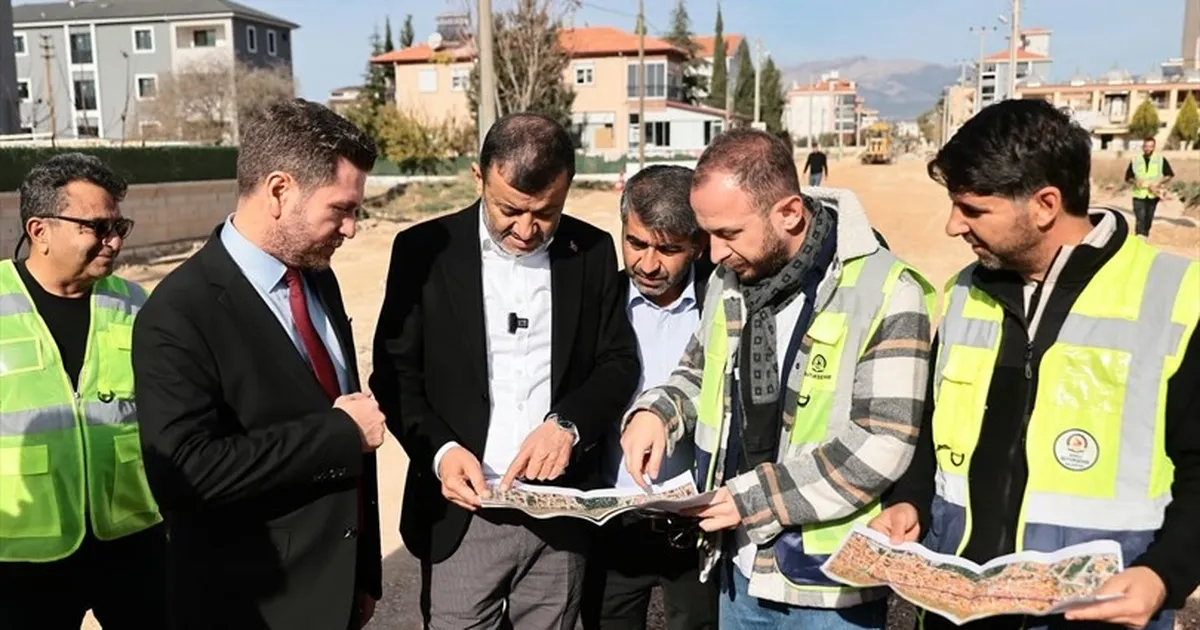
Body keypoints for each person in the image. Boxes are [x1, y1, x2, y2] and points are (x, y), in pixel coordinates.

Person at [871, 99, 1200, 630]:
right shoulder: (965, 293)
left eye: (972, 209)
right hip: (961, 613)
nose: (953, 226)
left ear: (1045, 205)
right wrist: (910, 502)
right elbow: (931, 428)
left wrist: (1164, 574)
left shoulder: (1178, 299)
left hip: (1099, 613)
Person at [620, 128, 935, 630]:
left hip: (829, 587)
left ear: (789, 212)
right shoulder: (730, 278)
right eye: (708, 235)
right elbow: (699, 372)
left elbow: (883, 442)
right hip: (739, 569)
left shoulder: (887, 291)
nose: (714, 254)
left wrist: (752, 499)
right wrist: (658, 412)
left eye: (728, 234)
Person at [370, 112, 640, 630]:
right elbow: (394, 375)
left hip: (560, 511)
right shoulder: (423, 251)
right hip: (463, 513)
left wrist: (569, 426)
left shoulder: (591, 251)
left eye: (546, 213)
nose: (526, 230)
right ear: (479, 177)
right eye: (509, 209)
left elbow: (618, 360)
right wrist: (441, 453)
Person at [131, 99, 386, 630]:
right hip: (252, 607)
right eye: (341, 209)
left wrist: (362, 572)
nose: (350, 228)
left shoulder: (318, 277)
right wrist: (339, 433)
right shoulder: (178, 312)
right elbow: (186, 473)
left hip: (335, 592)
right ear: (279, 191)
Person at [0, 153, 165, 629]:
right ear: (39, 230)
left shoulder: (137, 306)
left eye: (119, 226)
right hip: (22, 556)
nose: (114, 241)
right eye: (97, 227)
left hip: (133, 541)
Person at [580, 165, 719, 630]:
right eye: (636, 243)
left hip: (697, 526)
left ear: (698, 244)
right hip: (612, 524)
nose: (648, 263)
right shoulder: (597, 302)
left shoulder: (724, 303)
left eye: (669, 249)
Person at [1124, 137, 1174, 238]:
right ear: (1143, 147)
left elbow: (1169, 175)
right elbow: (1128, 178)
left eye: (1150, 146)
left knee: (1148, 220)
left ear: (1154, 147)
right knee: (1140, 219)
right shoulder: (1135, 160)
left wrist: (1158, 183)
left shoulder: (1160, 160)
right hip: (1139, 194)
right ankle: (1140, 240)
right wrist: (1135, 181)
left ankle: (1144, 237)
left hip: (1153, 195)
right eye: (1146, 146)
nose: (1148, 149)